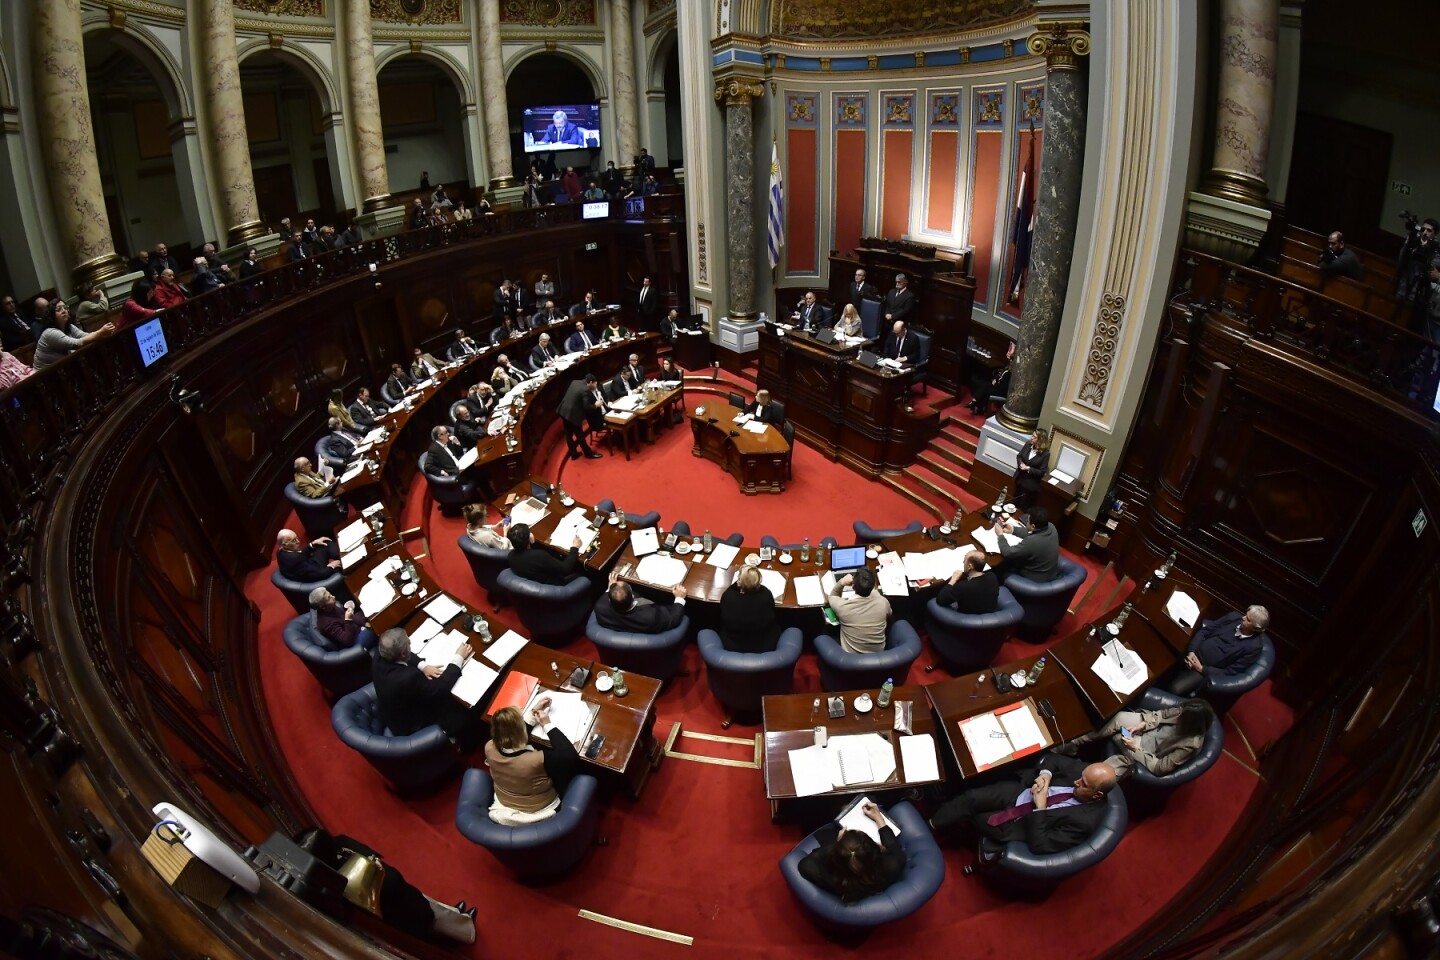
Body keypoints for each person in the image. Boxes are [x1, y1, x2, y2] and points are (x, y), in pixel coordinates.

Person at [294, 829, 475, 944]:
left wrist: (373, 859)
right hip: (400, 908)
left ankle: (456, 913)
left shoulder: (335, 846)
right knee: (433, 919)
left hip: (400, 890)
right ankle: (466, 930)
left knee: (429, 903)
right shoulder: (337, 884)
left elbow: (346, 841)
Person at [928, 753, 1117, 854]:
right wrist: (1046, 775)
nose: (1077, 781)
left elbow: (1041, 845)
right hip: (1020, 792)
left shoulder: (1084, 823)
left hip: (1019, 823)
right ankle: (931, 826)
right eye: (1081, 776)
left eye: (1083, 784)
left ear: (1097, 794)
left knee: (976, 816)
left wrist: (1040, 807)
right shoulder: (1084, 772)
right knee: (971, 798)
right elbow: (1053, 759)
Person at [372, 627, 483, 750]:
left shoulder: (381, 653)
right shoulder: (407, 678)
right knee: (468, 715)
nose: (410, 643)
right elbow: (439, 689)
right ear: (403, 653)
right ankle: (468, 747)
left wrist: (422, 665)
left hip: (397, 710)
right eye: (409, 643)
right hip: (413, 725)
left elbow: (405, 655)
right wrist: (458, 658)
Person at [1061, 698, 1215, 780]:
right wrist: (1143, 724)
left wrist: (1136, 748)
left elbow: (1161, 767)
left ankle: (1086, 778)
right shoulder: (1184, 711)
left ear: (1191, 722)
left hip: (1147, 750)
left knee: (1123, 758)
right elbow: (1160, 715)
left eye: (1182, 716)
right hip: (1148, 730)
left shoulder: (1191, 744)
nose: (1178, 714)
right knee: (1121, 717)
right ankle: (1075, 744)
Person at [484, 701, 582, 826]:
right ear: (521, 731)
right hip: (538, 808)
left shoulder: (489, 747)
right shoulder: (536, 759)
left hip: (506, 800)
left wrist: (532, 713)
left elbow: (511, 736)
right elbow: (569, 756)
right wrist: (547, 725)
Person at [797, 801, 905, 903]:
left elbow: (805, 864)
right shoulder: (893, 864)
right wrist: (878, 817)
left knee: (825, 834)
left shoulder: (832, 878)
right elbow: (893, 846)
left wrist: (837, 843)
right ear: (875, 848)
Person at [1165, 606, 1270, 696]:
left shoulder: (1253, 647)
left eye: (1248, 619)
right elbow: (1205, 631)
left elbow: (1230, 672)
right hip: (1194, 650)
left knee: (1174, 689)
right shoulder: (1233, 617)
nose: (1242, 618)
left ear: (1255, 628)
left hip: (1203, 669)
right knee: (1161, 658)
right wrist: (1191, 651)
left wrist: (1201, 669)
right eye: (1245, 615)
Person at [33, 300, 114, 371]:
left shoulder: (70, 326)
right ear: (51, 315)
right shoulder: (49, 333)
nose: (64, 311)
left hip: (60, 371)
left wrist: (102, 334)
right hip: (43, 379)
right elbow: (76, 343)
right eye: (59, 309)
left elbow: (84, 335)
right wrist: (100, 332)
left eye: (65, 307)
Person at [594, 575, 687, 633]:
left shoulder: (600, 607)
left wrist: (613, 589)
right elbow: (674, 619)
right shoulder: (651, 616)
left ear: (609, 600)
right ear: (633, 596)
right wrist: (679, 598)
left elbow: (609, 596)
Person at [719, 564, 780, 653]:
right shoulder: (766, 595)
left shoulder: (729, 597)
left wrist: (741, 582)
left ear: (739, 582)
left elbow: (732, 589)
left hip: (734, 644)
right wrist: (752, 583)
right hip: (764, 644)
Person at [828, 568, 891, 655]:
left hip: (852, 659)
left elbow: (833, 596)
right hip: (878, 655)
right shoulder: (883, 603)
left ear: (853, 586)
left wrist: (841, 582)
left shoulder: (843, 607)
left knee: (825, 631)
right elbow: (889, 614)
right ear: (873, 587)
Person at [507, 522, 585, 584]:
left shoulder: (510, 556)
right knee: (584, 572)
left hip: (537, 584)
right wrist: (575, 548)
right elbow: (565, 569)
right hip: (557, 586)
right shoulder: (539, 556)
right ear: (529, 538)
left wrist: (533, 544)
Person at [996, 506, 1059, 582]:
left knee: (1000, 566)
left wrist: (1000, 535)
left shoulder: (1032, 541)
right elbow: (1031, 533)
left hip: (1034, 578)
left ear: (1033, 526)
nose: (1026, 522)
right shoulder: (1051, 527)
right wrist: (1013, 530)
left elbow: (1008, 553)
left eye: (1028, 521)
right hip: (1047, 572)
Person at [558, 373, 605, 460]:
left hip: (563, 410)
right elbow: (587, 407)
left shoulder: (575, 382)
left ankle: (573, 454)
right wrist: (596, 405)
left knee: (568, 434)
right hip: (572, 414)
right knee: (580, 435)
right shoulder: (585, 390)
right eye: (595, 384)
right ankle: (588, 453)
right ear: (590, 382)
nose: (595, 386)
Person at [935, 550, 999, 614]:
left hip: (969, 618)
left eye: (965, 561)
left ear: (969, 566)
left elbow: (941, 600)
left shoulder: (963, 586)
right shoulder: (992, 576)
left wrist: (953, 579)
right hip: (989, 611)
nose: (963, 562)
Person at [308, 587, 372, 650]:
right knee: (374, 630)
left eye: (330, 594)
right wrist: (348, 620)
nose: (333, 597)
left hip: (352, 628)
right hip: (353, 641)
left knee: (369, 612)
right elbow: (347, 641)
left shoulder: (330, 607)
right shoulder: (325, 624)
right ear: (323, 607)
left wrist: (364, 623)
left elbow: (345, 617)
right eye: (329, 598)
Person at [275, 529, 340, 582]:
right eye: (293, 541)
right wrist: (331, 567)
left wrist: (312, 544)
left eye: (296, 538)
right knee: (338, 565)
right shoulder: (295, 560)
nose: (298, 541)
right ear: (284, 545)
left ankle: (342, 557)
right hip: (315, 573)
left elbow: (301, 556)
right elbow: (320, 574)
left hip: (308, 566)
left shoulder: (281, 551)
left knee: (324, 543)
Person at [969, 342, 1014, 413]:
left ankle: (975, 403)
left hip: (999, 391)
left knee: (985, 388)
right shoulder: (1006, 369)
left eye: (1011, 361)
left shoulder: (1009, 374)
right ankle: (976, 405)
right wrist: (995, 380)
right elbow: (998, 376)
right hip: (995, 386)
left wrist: (995, 383)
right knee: (979, 382)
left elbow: (1002, 387)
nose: (1010, 362)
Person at [1013, 430, 1050, 508]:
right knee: (1014, 503)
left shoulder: (1045, 454)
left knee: (1023, 507)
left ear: (1040, 440)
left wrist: (1028, 468)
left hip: (1030, 485)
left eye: (1034, 437)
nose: (1031, 438)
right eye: (1032, 436)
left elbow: (1042, 472)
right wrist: (1021, 464)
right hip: (1019, 479)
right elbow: (1019, 456)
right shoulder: (1028, 444)